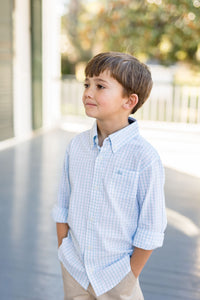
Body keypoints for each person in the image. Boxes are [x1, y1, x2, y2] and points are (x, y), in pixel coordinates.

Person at [52, 52, 167, 300]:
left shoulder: (145, 158)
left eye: (100, 86)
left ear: (129, 101)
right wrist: (64, 249)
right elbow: (63, 204)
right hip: (75, 271)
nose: (87, 93)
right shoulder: (76, 146)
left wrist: (129, 276)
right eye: (87, 84)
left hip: (117, 278)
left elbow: (152, 226)